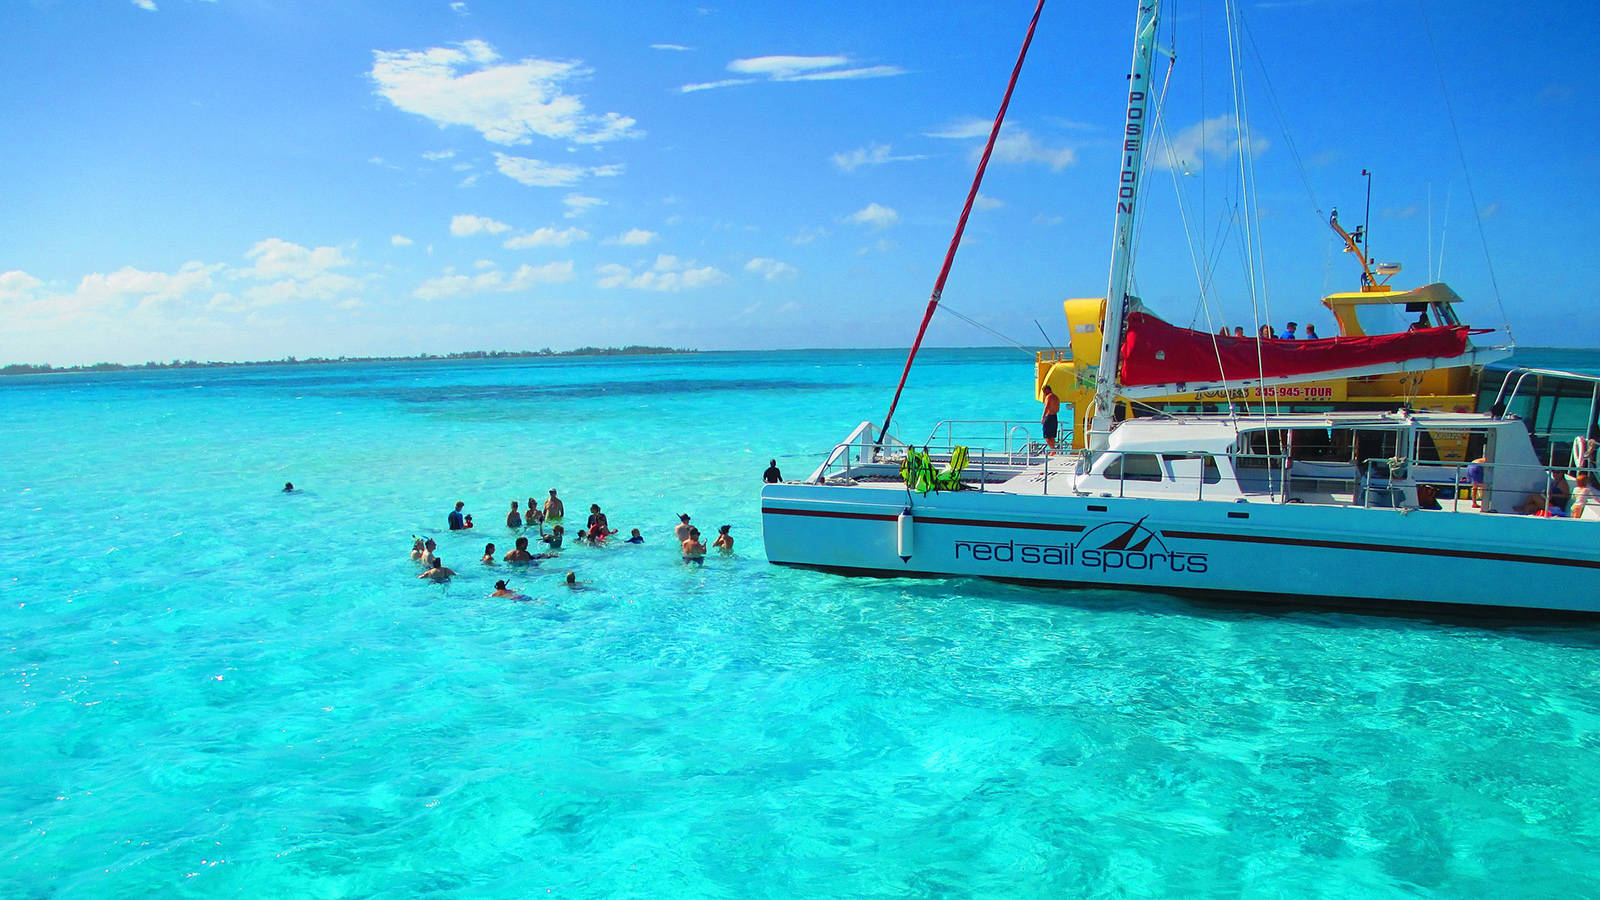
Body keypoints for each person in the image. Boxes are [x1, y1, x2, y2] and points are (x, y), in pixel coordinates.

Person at [1041, 385, 1060, 451]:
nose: (1044, 394)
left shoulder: (1049, 397)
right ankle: (1053, 450)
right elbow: (1058, 409)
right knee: (1052, 436)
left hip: (1049, 417)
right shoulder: (1056, 397)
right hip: (1055, 417)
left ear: (1047, 390)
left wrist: (1043, 417)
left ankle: (1053, 450)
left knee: (1047, 436)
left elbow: (1047, 407)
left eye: (1044, 391)